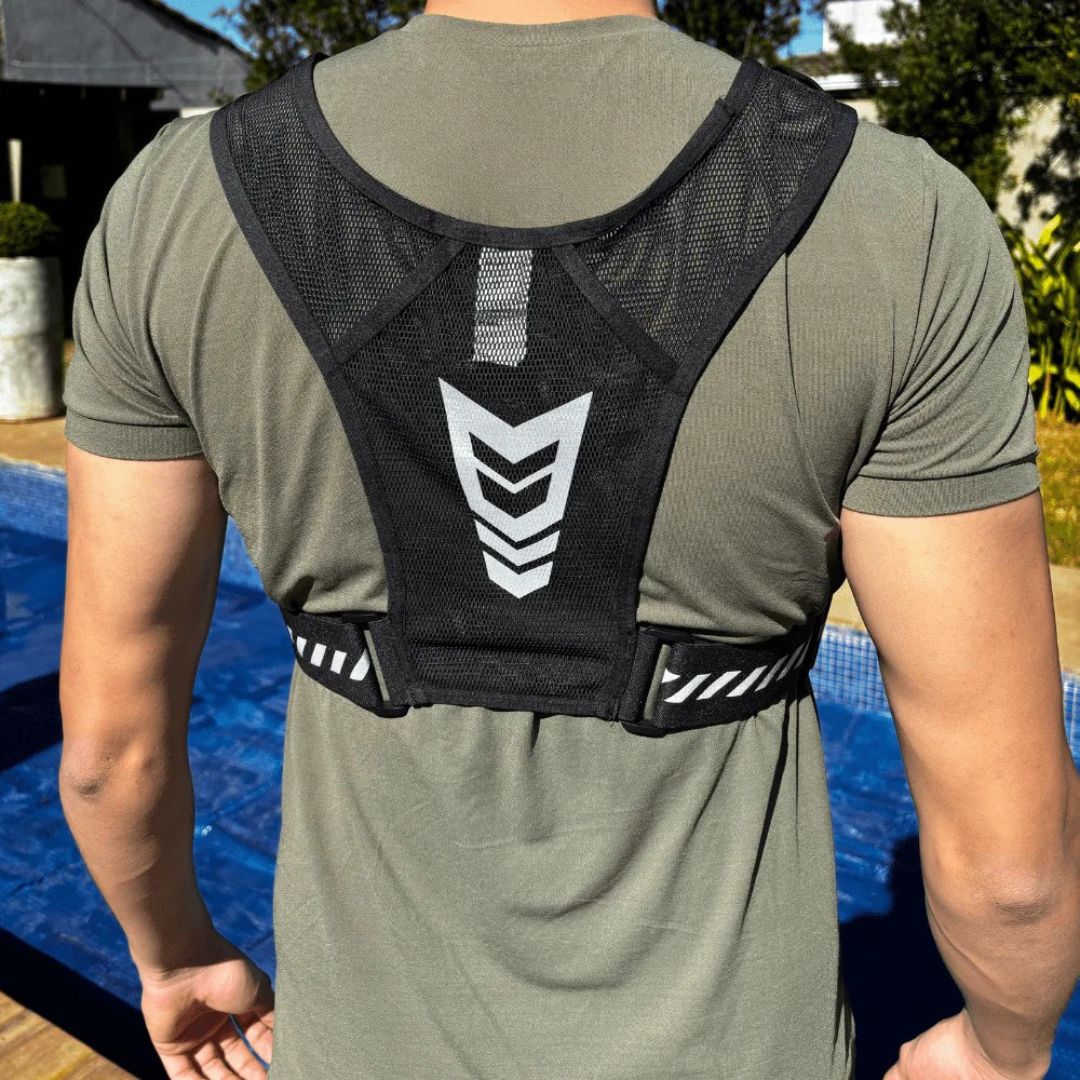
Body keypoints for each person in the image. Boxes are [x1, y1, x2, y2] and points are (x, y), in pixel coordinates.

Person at [57, 1, 1080, 1078]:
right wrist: (1002, 1045)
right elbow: (1012, 866)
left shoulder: (179, 207)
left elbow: (107, 757)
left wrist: (175, 957)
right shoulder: (892, 220)